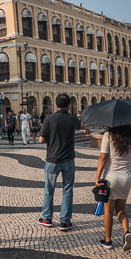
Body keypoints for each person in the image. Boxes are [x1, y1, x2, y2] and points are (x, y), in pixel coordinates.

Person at [38, 94, 83, 231]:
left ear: (56, 105)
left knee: (49, 190)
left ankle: (47, 218)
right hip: (68, 159)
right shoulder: (72, 118)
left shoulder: (49, 119)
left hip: (52, 159)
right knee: (67, 190)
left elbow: (41, 140)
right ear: (69, 105)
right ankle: (65, 221)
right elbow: (85, 128)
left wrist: (52, 139)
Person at [95, 125, 131, 250]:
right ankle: (126, 232)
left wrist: (97, 177)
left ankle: (108, 240)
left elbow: (103, 158)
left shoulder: (108, 135)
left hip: (111, 177)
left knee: (108, 210)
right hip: (127, 177)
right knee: (121, 209)